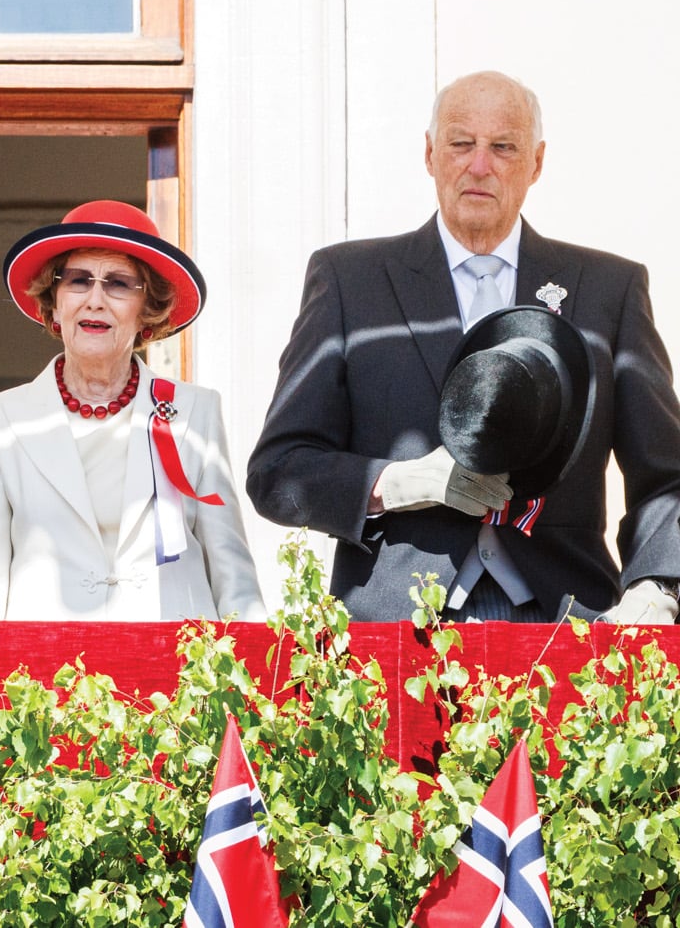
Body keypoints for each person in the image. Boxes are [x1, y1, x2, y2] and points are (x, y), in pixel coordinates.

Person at [247, 71, 680, 623]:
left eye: (503, 147)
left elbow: (666, 476)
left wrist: (655, 588)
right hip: (395, 636)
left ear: (537, 163)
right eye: (460, 143)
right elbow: (278, 471)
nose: (479, 166)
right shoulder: (348, 281)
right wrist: (399, 484)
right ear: (430, 154)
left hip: (567, 625)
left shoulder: (607, 290)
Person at [0, 202, 265, 621]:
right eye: (78, 281)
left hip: (178, 671)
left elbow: (233, 578)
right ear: (55, 302)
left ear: (147, 310)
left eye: (118, 284)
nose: (95, 300)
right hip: (42, 675)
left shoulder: (195, 412)